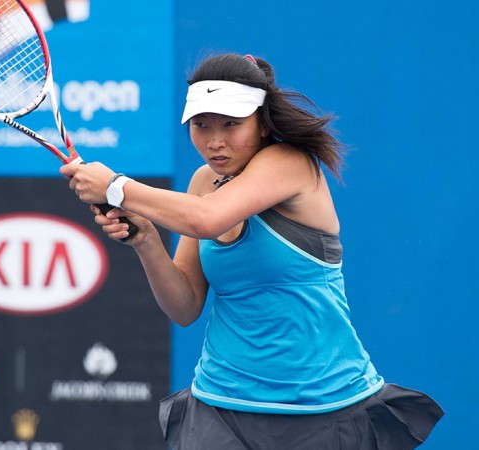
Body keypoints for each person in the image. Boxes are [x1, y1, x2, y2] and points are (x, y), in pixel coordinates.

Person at [60, 53, 443, 449]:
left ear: (262, 123)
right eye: (201, 125)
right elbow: (185, 306)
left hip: (323, 407)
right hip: (220, 406)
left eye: (231, 124)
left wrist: (116, 186)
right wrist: (146, 241)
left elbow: (206, 219)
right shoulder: (202, 182)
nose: (215, 140)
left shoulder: (290, 163)